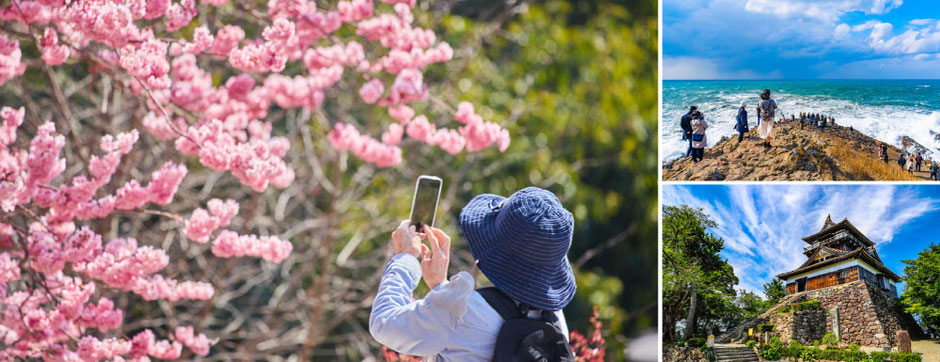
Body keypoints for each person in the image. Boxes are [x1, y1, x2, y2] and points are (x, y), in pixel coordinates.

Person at [370, 187, 577, 360]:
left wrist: (405, 259)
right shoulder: (556, 321)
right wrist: (440, 288)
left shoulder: (463, 311)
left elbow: (383, 324)